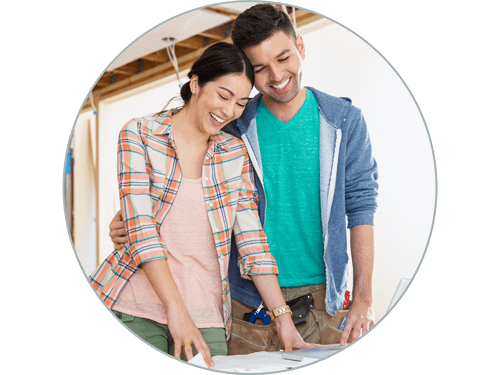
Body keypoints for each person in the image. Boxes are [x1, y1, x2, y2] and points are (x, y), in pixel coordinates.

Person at [109, 4, 379, 353]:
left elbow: (361, 206)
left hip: (322, 297)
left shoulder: (342, 122)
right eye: (261, 68)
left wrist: (363, 297)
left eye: (283, 58)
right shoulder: (232, 129)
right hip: (243, 301)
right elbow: (171, 192)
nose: (277, 75)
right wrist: (127, 221)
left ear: (300, 46)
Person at [90, 41, 315, 367]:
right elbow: (141, 228)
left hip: (205, 313)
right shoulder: (139, 134)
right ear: (195, 83)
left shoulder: (234, 152)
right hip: (133, 304)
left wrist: (283, 320)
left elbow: (252, 241)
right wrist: (175, 311)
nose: (229, 111)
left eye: (240, 103)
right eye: (223, 96)